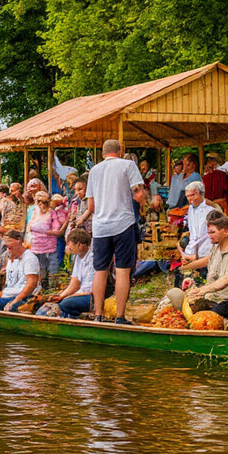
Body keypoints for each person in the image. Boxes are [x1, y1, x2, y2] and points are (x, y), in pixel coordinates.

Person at [86, 139, 147, 324]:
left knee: (100, 270)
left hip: (100, 227)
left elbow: (91, 205)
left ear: (103, 152)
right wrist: (145, 203)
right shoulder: (128, 165)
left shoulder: (94, 171)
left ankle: (98, 315)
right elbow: (138, 192)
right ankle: (120, 316)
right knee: (122, 271)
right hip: (123, 223)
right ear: (120, 151)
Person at [185, 213, 228, 318]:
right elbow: (209, 272)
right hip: (212, 296)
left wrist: (202, 290)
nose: (209, 235)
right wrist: (192, 281)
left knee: (207, 318)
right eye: (208, 232)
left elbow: (225, 280)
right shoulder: (215, 248)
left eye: (212, 232)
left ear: (225, 232)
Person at [36, 227, 95, 319]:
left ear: (79, 244)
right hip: (80, 293)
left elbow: (88, 289)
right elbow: (74, 282)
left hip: (90, 297)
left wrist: (66, 297)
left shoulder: (92, 259)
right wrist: (60, 296)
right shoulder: (78, 258)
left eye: (70, 244)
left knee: (66, 303)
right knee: (54, 302)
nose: (68, 247)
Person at [0, 230, 41, 312]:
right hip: (8, 295)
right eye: (5, 242)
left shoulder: (29, 258)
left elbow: (31, 285)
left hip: (24, 297)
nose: (7, 244)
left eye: (9, 241)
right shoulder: (10, 257)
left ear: (19, 241)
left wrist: (15, 301)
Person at [28, 190, 62, 288]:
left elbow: (57, 230)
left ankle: (52, 289)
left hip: (50, 248)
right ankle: (42, 289)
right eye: (39, 201)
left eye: (44, 202)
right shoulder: (33, 212)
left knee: (53, 270)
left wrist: (43, 231)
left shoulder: (52, 213)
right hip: (36, 248)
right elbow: (28, 228)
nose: (41, 204)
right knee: (40, 271)